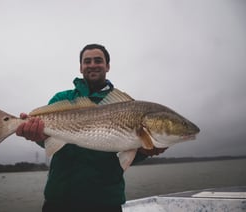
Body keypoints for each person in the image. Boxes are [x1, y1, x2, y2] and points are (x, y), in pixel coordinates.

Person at [16, 44, 167, 212]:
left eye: (98, 60)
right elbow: (48, 141)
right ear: (81, 67)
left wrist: (144, 151)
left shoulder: (125, 105)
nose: (92, 64)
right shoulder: (63, 98)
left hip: (106, 201)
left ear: (107, 66)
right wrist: (37, 136)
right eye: (87, 61)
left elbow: (125, 153)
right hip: (60, 200)